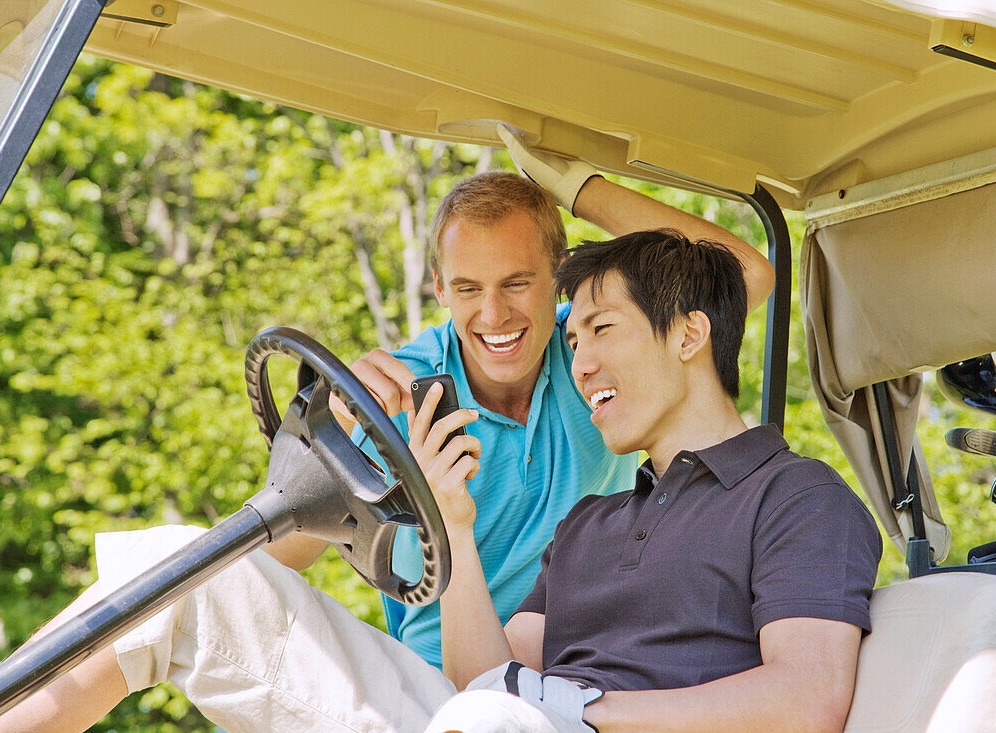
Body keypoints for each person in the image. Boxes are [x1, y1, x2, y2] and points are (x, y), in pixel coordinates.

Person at [0, 229, 876, 733]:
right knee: (185, 573)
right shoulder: (597, 522)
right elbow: (491, 675)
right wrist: (451, 518)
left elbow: (808, 699)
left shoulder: (797, 497)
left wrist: (585, 707)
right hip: (490, 724)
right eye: (574, 342)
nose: (583, 358)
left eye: (601, 328)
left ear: (688, 335)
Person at [262, 125, 776, 668]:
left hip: (579, 669)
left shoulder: (593, 359)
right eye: (467, 289)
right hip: (432, 682)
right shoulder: (394, 393)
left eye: (515, 283)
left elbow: (742, 275)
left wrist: (578, 189)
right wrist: (333, 438)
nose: (493, 315)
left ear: (558, 274)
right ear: (439, 287)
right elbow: (275, 557)